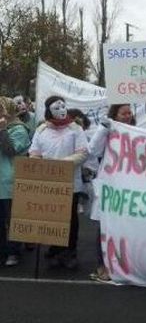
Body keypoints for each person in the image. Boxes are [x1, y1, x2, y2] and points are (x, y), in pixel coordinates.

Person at [29, 96, 88, 269]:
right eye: (57, 107)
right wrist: (37, 163)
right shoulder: (41, 130)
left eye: (63, 106)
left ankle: (70, 251)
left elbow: (83, 153)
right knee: (52, 217)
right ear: (49, 110)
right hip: (49, 185)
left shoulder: (75, 128)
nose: (62, 109)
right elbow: (34, 152)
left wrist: (61, 165)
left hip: (70, 184)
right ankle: (55, 248)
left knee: (70, 218)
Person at [88, 103, 135, 281]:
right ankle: (103, 266)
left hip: (128, 188)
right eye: (123, 113)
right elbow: (92, 150)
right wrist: (103, 129)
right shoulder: (106, 130)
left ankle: (123, 266)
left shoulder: (137, 132)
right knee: (104, 228)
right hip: (110, 187)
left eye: (130, 112)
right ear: (115, 114)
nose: (128, 115)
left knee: (124, 229)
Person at [0, 97, 31, 267]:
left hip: (9, 182)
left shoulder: (19, 129)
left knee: (12, 220)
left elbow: (10, 150)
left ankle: (13, 252)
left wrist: (3, 131)